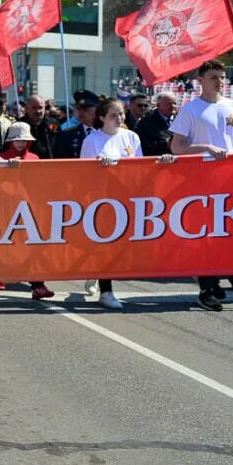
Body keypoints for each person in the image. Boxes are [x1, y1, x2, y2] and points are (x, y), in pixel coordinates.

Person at [170, 60, 233, 310]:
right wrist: (205, 148)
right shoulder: (190, 110)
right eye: (214, 77)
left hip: (229, 179)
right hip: (200, 180)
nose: (219, 81)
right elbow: (176, 147)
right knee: (204, 232)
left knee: (224, 232)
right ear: (200, 81)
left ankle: (219, 279)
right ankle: (207, 287)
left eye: (222, 77)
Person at [79, 99, 154, 311]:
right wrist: (99, 168)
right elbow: (82, 174)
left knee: (119, 245)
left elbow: (139, 167)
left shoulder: (131, 137)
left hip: (126, 198)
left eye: (121, 114)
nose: (119, 118)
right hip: (102, 201)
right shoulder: (92, 140)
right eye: (114, 115)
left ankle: (95, 271)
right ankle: (106, 290)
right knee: (106, 245)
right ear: (102, 117)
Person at [54, 90, 99, 158]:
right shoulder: (67, 135)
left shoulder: (106, 132)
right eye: (79, 109)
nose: (81, 113)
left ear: (97, 110)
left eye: (86, 110)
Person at [135, 92, 176, 157]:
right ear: (158, 105)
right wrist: (166, 145)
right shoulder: (146, 123)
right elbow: (143, 148)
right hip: (158, 163)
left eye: (174, 103)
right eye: (169, 104)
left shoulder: (182, 119)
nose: (173, 106)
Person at [18, 95, 57, 159]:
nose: (38, 111)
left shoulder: (53, 123)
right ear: (27, 109)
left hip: (51, 165)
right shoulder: (19, 125)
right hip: (28, 165)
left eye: (40, 108)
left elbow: (61, 145)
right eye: (34, 108)